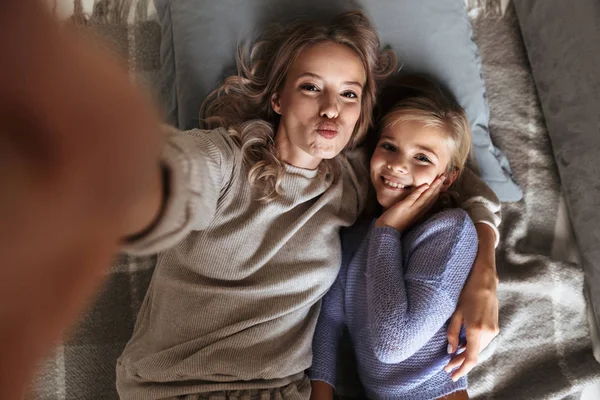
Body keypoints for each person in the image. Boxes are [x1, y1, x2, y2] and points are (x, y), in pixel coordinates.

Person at [0, 4, 497, 400]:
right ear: (278, 97)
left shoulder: (357, 182)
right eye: (311, 87)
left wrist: (485, 270)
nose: (331, 107)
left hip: (282, 392)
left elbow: (453, 183)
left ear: (363, 112)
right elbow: (172, 180)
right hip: (176, 389)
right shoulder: (223, 158)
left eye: (349, 94)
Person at [309, 76, 485, 400]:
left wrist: (388, 232)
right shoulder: (356, 235)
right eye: (389, 146)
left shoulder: (451, 231)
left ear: (446, 179)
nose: (397, 165)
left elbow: (395, 344)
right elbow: (330, 321)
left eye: (423, 158)